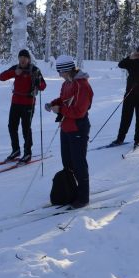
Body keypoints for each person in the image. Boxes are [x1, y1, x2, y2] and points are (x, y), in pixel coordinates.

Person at [46, 55, 94, 209]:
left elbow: (79, 111)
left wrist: (60, 109)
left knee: (78, 163)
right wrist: (53, 104)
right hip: (66, 127)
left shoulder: (82, 85)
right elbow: (64, 99)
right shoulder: (67, 83)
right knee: (67, 163)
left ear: (67, 70)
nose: (59, 75)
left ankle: (83, 197)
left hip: (78, 127)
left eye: (60, 71)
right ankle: (71, 190)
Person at [0, 49, 47, 163]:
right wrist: (14, 73)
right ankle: (16, 150)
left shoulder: (34, 70)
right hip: (15, 102)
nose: (22, 60)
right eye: (20, 58)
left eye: (24, 58)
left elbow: (43, 85)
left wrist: (38, 82)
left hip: (28, 104)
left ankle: (27, 153)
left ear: (28, 59)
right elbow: (1, 77)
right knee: (12, 126)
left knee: (26, 129)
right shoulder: (16, 68)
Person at [110, 43, 139, 149]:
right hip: (129, 94)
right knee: (125, 118)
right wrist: (129, 57)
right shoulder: (131, 62)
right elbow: (120, 64)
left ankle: (137, 140)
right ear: (136, 52)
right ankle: (120, 139)